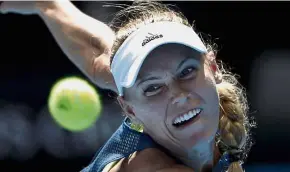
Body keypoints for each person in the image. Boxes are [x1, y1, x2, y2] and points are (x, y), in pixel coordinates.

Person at [1, 1, 254, 172]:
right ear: (129, 110)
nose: (178, 95)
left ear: (212, 66)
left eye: (186, 71)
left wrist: (48, 4)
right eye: (153, 88)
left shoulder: (132, 86)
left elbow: (100, 52)